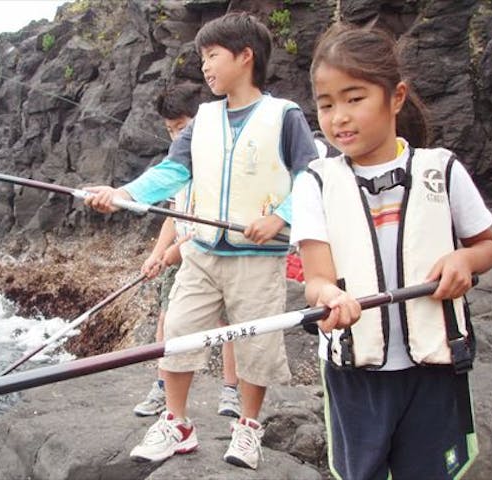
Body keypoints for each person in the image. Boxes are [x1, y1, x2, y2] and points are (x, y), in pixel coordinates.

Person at [84, 12, 319, 470]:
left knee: (255, 345)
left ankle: (248, 428)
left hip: (259, 259)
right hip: (202, 252)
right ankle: (177, 423)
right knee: (178, 334)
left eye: (212, 56)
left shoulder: (284, 116)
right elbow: (172, 172)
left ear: (245, 56)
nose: (205, 67)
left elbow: (310, 176)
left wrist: (281, 218)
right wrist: (124, 194)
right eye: (202, 58)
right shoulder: (203, 120)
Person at [291, 23, 492, 480]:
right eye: (326, 105)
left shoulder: (440, 170)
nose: (339, 117)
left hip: (435, 371)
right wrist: (330, 299)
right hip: (356, 375)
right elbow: (317, 280)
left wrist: (464, 260)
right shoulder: (315, 183)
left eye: (354, 98)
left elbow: (486, 247)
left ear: (396, 97)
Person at [133, 84, 241, 419]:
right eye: (171, 130)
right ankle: (163, 388)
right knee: (168, 320)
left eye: (182, 127)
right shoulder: (177, 163)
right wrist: (158, 254)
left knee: (228, 323)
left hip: (214, 253)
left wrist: (179, 249)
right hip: (178, 259)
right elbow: (172, 215)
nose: (177, 136)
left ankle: (231, 391)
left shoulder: (222, 159)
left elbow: (218, 218)